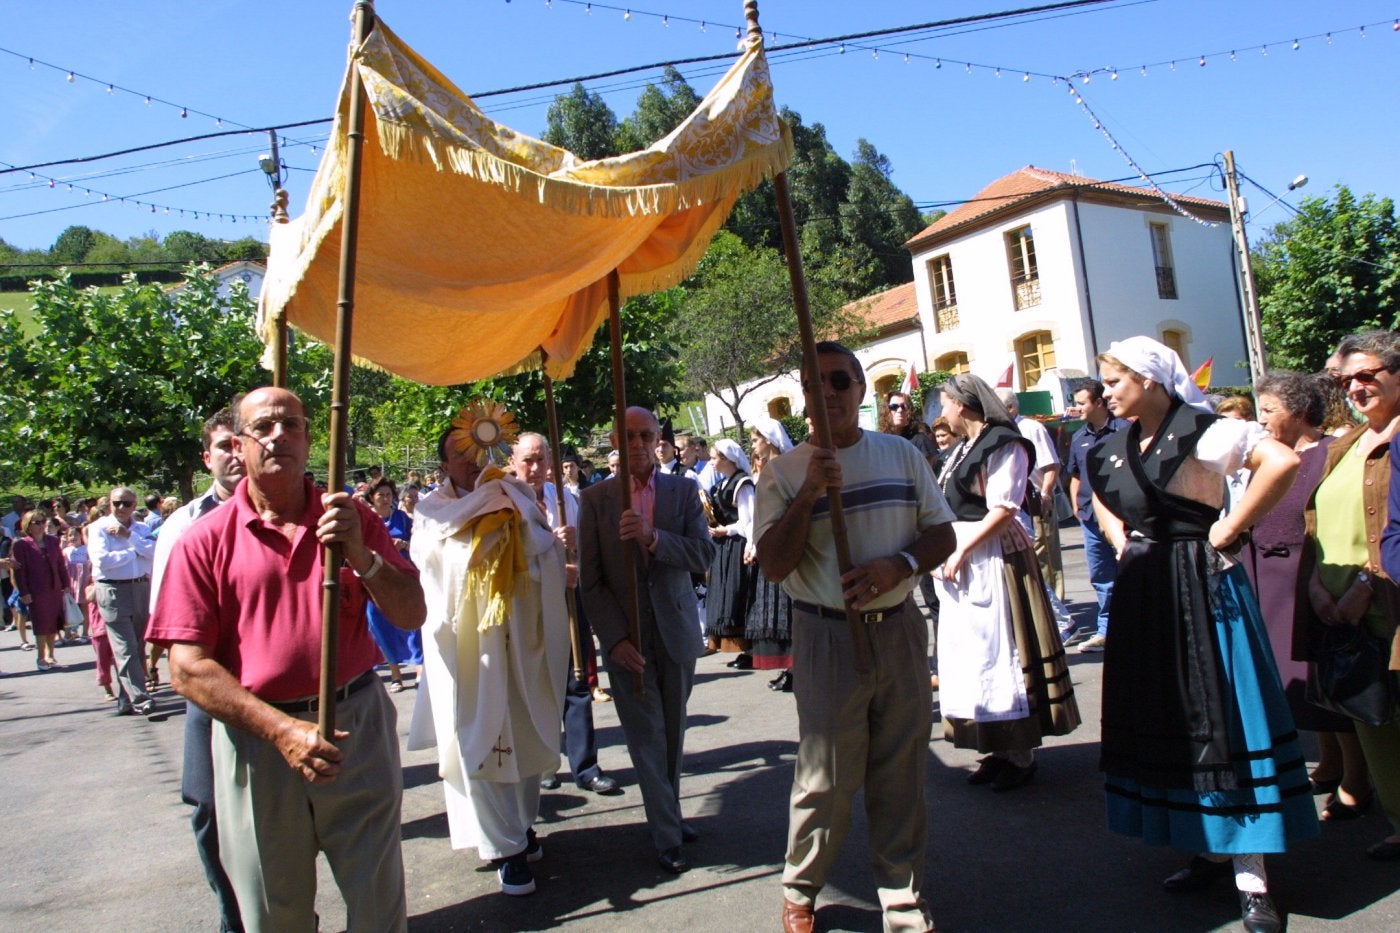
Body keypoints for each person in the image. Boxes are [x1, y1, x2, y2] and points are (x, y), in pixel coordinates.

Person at [149, 387, 424, 932]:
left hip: (357, 726)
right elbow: (186, 667)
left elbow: (411, 613)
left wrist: (361, 556)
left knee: (379, 906)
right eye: (265, 427)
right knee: (276, 915)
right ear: (238, 444)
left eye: (292, 425)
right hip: (259, 744)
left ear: (308, 438)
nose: (280, 436)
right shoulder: (203, 541)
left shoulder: (351, 519)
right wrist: (281, 731)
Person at [1088, 337, 1316, 933]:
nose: (1106, 391)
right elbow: (1096, 492)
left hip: (1201, 584)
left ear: (1152, 379)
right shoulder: (1115, 442)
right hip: (1147, 588)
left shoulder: (1206, 430)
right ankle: (1206, 846)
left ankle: (1253, 878)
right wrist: (1119, 539)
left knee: (1224, 717)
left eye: (1115, 380)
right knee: (1171, 715)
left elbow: (1283, 463)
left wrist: (1230, 529)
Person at [754, 342, 956, 933]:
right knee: (825, 777)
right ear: (803, 398)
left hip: (896, 631)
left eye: (840, 381)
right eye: (815, 384)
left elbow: (941, 533)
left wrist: (901, 565)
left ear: (861, 389)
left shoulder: (900, 454)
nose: (829, 394)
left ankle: (901, 896)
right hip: (827, 637)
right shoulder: (783, 472)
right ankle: (801, 888)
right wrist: (812, 491)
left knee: (901, 771)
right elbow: (771, 564)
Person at [406, 415, 571, 896]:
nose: (473, 459)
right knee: (476, 735)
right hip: (467, 646)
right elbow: (431, 572)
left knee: (525, 729)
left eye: (478, 449)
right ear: (444, 463)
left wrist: (522, 538)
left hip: (519, 638)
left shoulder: (516, 495)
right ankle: (505, 848)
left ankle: (521, 825)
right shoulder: (432, 511)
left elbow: (544, 552)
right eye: (461, 450)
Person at [579, 406, 714, 875]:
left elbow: (703, 553)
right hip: (628, 641)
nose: (637, 444)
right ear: (616, 441)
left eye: (645, 435)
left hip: (675, 632)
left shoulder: (682, 491)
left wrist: (655, 538)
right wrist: (612, 639)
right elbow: (590, 582)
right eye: (628, 436)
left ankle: (668, 814)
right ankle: (667, 835)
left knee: (673, 732)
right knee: (646, 736)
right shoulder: (595, 500)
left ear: (658, 439)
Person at [935, 375, 1080, 792]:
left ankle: (1020, 753)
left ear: (963, 405)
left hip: (995, 557)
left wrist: (963, 550)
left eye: (944, 404)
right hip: (966, 559)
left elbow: (1003, 508)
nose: (941, 413)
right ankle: (997, 746)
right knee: (975, 654)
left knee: (1003, 652)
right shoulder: (963, 447)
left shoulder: (1005, 443)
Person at [1246, 371, 1371, 822]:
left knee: (1328, 676)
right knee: (1299, 681)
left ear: (1298, 412)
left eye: (1269, 410)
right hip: (1268, 574)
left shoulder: (1328, 453)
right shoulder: (1265, 455)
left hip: (1308, 575)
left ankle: (1357, 777)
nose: (1261, 420)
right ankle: (1331, 762)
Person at [149, 406, 245, 933]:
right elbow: (170, 626)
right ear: (207, 456)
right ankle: (236, 922)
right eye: (224, 445)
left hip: (279, 687)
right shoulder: (182, 526)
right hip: (211, 691)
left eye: (241, 442)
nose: (235, 454)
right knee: (209, 813)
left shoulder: (294, 511)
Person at [1309, 331, 1400, 861]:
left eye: (1368, 375)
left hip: (1387, 601)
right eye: (1346, 381)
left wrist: (1366, 583)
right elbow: (1315, 520)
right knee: (1372, 721)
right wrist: (1318, 583)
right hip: (1341, 611)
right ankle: (1396, 819)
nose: (1356, 388)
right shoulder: (1344, 443)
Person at [507, 432, 619, 796]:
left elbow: (588, 549)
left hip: (570, 601)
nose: (536, 468)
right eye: (528, 460)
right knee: (536, 685)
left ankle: (585, 766)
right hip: (527, 606)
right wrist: (552, 551)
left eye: (542, 460)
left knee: (576, 682)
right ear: (513, 462)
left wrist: (574, 547)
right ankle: (542, 764)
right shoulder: (504, 504)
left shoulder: (566, 498)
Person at [1065, 381, 1131, 653]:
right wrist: (1076, 508)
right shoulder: (1079, 437)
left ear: (1099, 403)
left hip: (1123, 517)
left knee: (1130, 572)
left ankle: (1134, 627)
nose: (1077, 407)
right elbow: (1075, 476)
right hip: (1091, 519)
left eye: (1082, 403)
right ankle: (1107, 630)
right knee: (1101, 576)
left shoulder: (1126, 431)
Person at [88, 485, 158, 715]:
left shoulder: (140, 527)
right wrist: (133, 552)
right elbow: (103, 561)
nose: (121, 508)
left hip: (140, 587)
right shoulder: (99, 528)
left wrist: (129, 538)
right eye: (116, 503)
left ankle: (125, 698)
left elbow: (154, 552)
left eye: (126, 503)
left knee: (137, 647)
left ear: (134, 504)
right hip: (113, 590)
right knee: (124, 647)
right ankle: (140, 698)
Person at [745, 418, 795, 691]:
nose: (754, 446)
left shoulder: (783, 468)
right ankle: (790, 667)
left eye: (755, 440)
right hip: (771, 544)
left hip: (784, 545)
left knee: (789, 610)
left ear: (768, 439)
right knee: (780, 611)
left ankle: (796, 668)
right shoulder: (770, 469)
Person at [362, 476, 422, 693]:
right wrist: (382, 551)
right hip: (376, 579)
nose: (386, 499)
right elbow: (358, 549)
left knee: (413, 624)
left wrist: (404, 544)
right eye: (381, 495)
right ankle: (395, 675)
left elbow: (418, 543)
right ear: (372, 498)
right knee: (379, 625)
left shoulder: (403, 519)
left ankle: (419, 670)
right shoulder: (366, 520)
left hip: (404, 577)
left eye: (389, 495)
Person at [704, 438, 757, 665]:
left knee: (741, 594)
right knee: (729, 595)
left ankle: (750, 649)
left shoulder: (742, 483)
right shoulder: (723, 483)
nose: (712, 462)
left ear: (726, 458)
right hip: (725, 546)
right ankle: (742, 648)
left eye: (715, 458)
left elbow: (750, 520)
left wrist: (728, 529)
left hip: (738, 545)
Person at [12, 508, 70, 672]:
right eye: (36, 522)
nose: (40, 525)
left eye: (42, 522)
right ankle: (41, 656)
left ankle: (51, 654)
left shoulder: (52, 541)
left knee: (53, 622)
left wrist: (66, 584)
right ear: (28, 525)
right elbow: (19, 571)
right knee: (41, 624)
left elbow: (60, 564)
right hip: (36, 590)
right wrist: (24, 592)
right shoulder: (21, 544)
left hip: (54, 587)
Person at [881, 390, 938, 472]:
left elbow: (932, 474)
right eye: (894, 406)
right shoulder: (881, 441)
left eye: (904, 406)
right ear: (886, 410)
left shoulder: (920, 440)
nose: (900, 410)